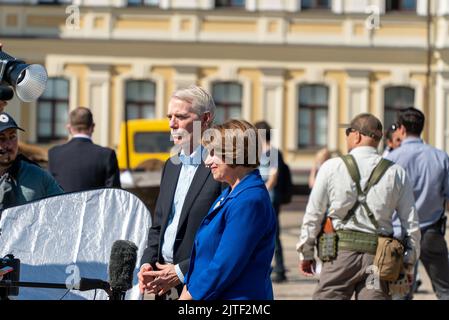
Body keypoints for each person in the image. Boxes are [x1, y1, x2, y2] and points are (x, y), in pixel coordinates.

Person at [297, 113, 420, 300]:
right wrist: (408, 263)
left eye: (347, 132)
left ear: (356, 135)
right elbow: (411, 224)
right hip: (378, 261)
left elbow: (313, 214)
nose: (346, 137)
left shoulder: (331, 167)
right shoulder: (396, 173)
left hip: (339, 257)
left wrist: (306, 252)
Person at [138, 85, 222, 299]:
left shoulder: (221, 166)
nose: (171, 124)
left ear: (205, 119)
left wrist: (180, 271)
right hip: (163, 282)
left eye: (181, 116)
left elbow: (222, 236)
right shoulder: (171, 165)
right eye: (170, 116)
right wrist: (147, 262)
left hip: (200, 284)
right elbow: (159, 224)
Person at [178, 119, 276, 300]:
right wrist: (188, 285)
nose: (207, 161)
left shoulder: (249, 200)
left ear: (236, 154)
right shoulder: (231, 193)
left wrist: (189, 296)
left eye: (214, 153)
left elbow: (225, 263)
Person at [386, 107, 449, 300]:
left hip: (399, 235)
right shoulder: (440, 157)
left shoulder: (390, 159)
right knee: (445, 291)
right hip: (431, 231)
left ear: (402, 129)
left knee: (399, 295)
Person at [48, 107, 121, 193]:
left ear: (69, 128)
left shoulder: (54, 154)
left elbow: (50, 191)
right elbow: (114, 194)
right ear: (93, 127)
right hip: (95, 206)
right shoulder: (107, 155)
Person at [0, 111, 63, 210]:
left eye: (12, 137)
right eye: (1, 138)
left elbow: (64, 207)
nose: (9, 145)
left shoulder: (38, 176)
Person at [254, 120, 286, 283]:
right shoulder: (255, 152)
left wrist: (261, 192)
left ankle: (280, 270)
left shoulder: (273, 152)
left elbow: (274, 176)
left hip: (269, 199)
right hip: (258, 196)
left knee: (273, 234)